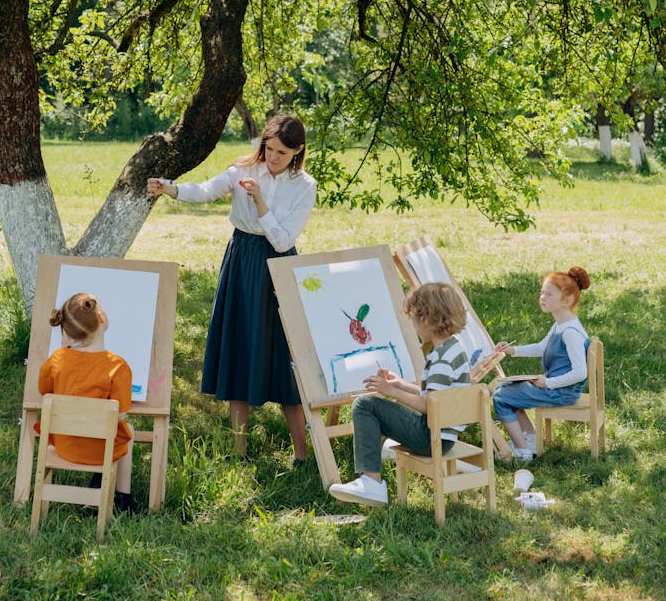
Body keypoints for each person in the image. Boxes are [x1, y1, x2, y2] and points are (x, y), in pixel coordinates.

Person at [146, 114, 317, 462]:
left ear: (298, 151)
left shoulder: (304, 186)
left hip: (278, 267)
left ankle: (301, 455)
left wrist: (260, 204)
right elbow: (206, 190)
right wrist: (170, 187)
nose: (272, 158)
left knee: (284, 357)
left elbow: (284, 241)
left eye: (282, 153)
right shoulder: (244, 170)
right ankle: (239, 452)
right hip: (241, 261)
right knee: (240, 348)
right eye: (268, 149)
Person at [329, 282, 471, 508]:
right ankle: (371, 479)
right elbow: (438, 396)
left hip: (431, 437)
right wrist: (401, 384)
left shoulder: (440, 359)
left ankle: (371, 483)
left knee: (365, 404)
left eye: (415, 320)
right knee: (372, 405)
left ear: (428, 319)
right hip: (443, 436)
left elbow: (428, 406)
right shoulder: (454, 349)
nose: (414, 327)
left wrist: (390, 391)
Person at [38, 292, 138, 513]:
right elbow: (119, 415)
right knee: (127, 430)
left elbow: (45, 391)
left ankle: (98, 488)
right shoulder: (118, 366)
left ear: (67, 331)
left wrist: (65, 348)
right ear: (101, 317)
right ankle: (123, 497)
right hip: (100, 450)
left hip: (64, 446)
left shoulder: (56, 359)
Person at [493, 266, 591, 461]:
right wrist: (512, 350)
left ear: (568, 300)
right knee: (509, 388)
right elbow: (541, 348)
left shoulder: (571, 333)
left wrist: (547, 383)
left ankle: (523, 452)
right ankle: (530, 440)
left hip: (561, 391)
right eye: (542, 293)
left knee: (500, 397)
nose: (542, 297)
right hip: (557, 387)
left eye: (549, 294)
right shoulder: (561, 324)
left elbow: (581, 372)